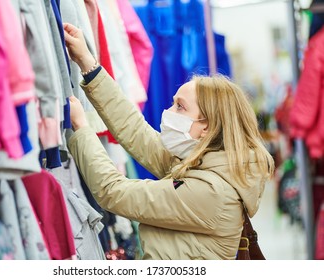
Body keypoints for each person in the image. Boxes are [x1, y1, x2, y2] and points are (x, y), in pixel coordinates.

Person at [63, 22, 274, 260]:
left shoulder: (210, 192)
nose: (169, 111)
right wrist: (89, 67)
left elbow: (115, 192)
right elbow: (137, 133)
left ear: (207, 127)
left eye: (180, 107)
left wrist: (82, 128)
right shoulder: (203, 167)